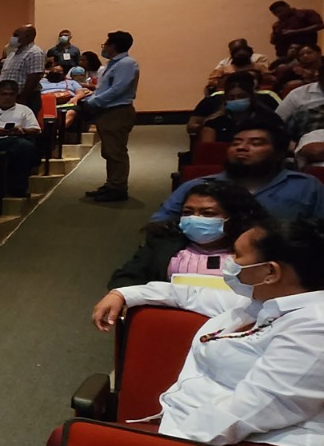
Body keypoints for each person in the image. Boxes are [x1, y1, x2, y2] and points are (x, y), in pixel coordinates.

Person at [81, 217, 324, 446]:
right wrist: (123, 293)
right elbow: (189, 294)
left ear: (270, 272)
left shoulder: (314, 327)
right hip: (199, 430)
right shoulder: (261, 302)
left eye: (238, 255)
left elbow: (255, 407)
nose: (230, 263)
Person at [152, 121, 324, 222]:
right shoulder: (198, 186)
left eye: (255, 143)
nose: (242, 147)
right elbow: (159, 226)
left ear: (279, 153)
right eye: (236, 143)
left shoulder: (307, 186)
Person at [109, 180, 268, 289]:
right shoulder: (162, 241)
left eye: (208, 213)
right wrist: (121, 295)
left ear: (235, 218)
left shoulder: (257, 248)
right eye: (187, 212)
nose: (194, 218)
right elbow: (126, 277)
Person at [79, 30, 140, 203]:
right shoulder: (112, 64)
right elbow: (104, 88)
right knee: (109, 150)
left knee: (116, 151)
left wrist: (94, 102)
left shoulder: (127, 63)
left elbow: (117, 89)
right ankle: (111, 183)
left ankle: (118, 188)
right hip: (108, 111)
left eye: (106, 43)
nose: (104, 47)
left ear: (114, 46)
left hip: (117, 111)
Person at [199, 72, 278, 143]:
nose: (236, 100)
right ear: (225, 100)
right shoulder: (213, 123)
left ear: (251, 98)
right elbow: (208, 150)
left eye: (242, 96)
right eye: (231, 97)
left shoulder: (267, 120)